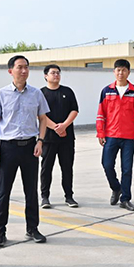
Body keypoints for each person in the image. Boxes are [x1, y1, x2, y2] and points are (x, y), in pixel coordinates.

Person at [0, 55, 50, 247]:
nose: (24, 71)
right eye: (19, 67)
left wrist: (40, 141)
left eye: (26, 67)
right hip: (8, 148)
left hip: (30, 147)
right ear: (11, 71)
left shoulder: (36, 94)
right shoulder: (1, 94)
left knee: (30, 191)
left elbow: (43, 119)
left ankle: (32, 228)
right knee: (3, 191)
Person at [96, 59, 134, 212]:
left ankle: (125, 199)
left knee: (127, 169)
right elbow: (101, 114)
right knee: (106, 164)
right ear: (114, 72)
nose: (121, 73)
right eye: (118, 70)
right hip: (111, 135)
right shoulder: (106, 91)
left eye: (124, 70)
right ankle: (116, 188)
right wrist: (100, 132)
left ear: (128, 72)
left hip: (129, 137)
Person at [39, 64, 79, 208]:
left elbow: (74, 110)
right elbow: (39, 114)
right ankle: (45, 197)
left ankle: (69, 196)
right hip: (48, 138)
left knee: (67, 168)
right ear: (46, 76)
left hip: (66, 137)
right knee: (46, 168)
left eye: (58, 73)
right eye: (53, 73)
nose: (56, 75)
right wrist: (56, 127)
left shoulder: (67, 91)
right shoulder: (41, 93)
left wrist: (64, 126)